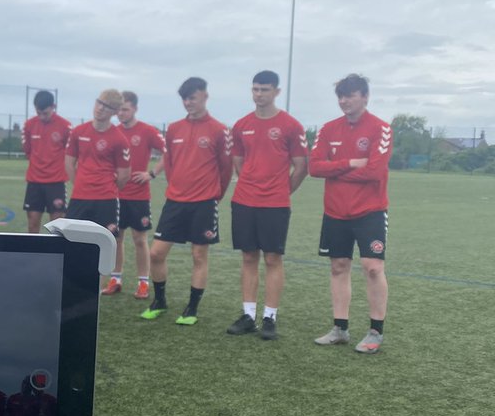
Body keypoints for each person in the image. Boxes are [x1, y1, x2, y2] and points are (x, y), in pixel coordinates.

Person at [308, 73, 392, 354]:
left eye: (350, 95)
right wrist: (350, 163)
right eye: (340, 96)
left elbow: (375, 171)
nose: (344, 101)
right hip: (335, 212)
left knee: (372, 267)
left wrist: (336, 170)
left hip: (370, 211)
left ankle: (375, 332)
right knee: (338, 267)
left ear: (365, 97)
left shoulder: (381, 129)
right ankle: (340, 329)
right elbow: (314, 167)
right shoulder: (328, 129)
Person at [141, 77, 233, 325]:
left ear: (205, 96)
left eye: (192, 97)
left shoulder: (219, 129)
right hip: (175, 201)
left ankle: (191, 308)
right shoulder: (173, 129)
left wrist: (216, 195)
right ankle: (160, 301)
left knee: (199, 256)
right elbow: (169, 163)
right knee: (156, 253)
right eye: (184, 98)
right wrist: (175, 187)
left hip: (204, 202)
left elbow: (226, 169)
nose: (188, 103)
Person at [225, 71, 308, 341]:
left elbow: (301, 166)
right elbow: (238, 160)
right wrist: (251, 180)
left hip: (275, 203)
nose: (258, 94)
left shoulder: (290, 125)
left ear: (276, 92)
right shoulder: (241, 125)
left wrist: (283, 191)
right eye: (255, 89)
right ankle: (248, 314)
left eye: (264, 89)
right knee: (248, 257)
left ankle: (269, 317)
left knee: (273, 259)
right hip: (244, 201)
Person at [104, 91, 166, 298]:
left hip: (139, 195)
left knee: (140, 239)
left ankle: (143, 283)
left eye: (125, 109)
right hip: (115, 194)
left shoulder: (147, 131)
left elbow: (169, 151)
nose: (121, 114)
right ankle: (116, 279)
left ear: (135, 109)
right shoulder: (113, 132)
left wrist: (152, 173)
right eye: (119, 110)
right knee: (116, 238)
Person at [64, 90, 131, 261]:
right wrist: (81, 183)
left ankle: (98, 288)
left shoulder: (119, 139)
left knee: (105, 245)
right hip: (79, 197)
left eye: (106, 106)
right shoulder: (78, 132)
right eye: (98, 103)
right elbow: (69, 163)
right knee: (70, 242)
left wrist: (105, 188)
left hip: (106, 200)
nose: (100, 108)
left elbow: (124, 175)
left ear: (115, 112)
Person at [22, 90, 72, 234]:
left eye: (46, 113)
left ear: (53, 106)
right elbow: (28, 151)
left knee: (58, 228)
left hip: (56, 183)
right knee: (32, 225)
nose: (42, 117)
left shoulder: (65, 126)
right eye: (39, 113)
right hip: (34, 182)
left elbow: (71, 154)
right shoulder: (29, 125)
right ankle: (32, 256)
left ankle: (56, 256)